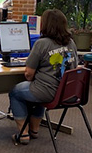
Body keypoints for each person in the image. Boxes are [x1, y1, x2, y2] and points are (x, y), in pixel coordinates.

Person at [9, 9, 78, 145]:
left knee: (15, 92)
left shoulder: (42, 43)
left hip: (48, 92)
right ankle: (34, 130)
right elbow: (74, 67)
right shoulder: (71, 43)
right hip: (67, 93)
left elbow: (28, 74)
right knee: (38, 88)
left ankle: (23, 134)